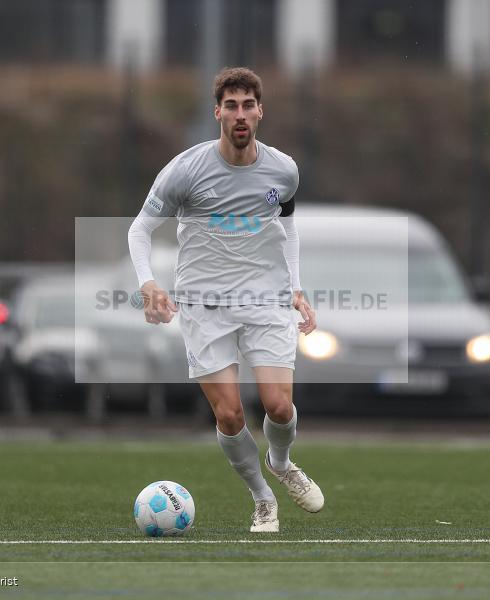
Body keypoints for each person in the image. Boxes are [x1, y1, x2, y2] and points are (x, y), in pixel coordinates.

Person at [127, 67, 323, 533]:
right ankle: (262, 499)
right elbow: (140, 229)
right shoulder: (184, 171)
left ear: (260, 112)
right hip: (204, 305)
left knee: (278, 407)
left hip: (265, 299)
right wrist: (148, 283)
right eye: (231, 106)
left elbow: (288, 227)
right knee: (231, 414)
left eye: (247, 105)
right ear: (217, 112)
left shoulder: (283, 170)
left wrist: (295, 288)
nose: (240, 114)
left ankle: (281, 463)